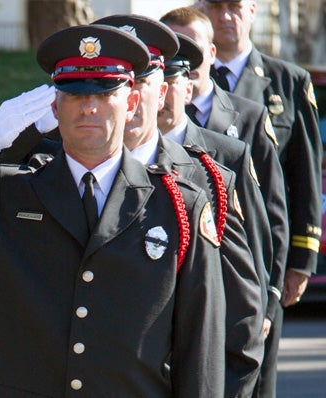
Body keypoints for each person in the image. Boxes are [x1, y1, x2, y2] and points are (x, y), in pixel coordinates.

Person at [0, 24, 227, 396]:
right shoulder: (11, 194)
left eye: (106, 92)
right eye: (75, 94)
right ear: (55, 104)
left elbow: (200, 345)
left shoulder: (178, 205)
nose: (89, 107)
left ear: (130, 102)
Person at [93, 14, 264, 396]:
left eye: (144, 80)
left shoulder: (210, 180)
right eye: (112, 82)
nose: (126, 95)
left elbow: (242, 320)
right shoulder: (57, 170)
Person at [202, 2, 322, 394]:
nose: (226, 17)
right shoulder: (186, 80)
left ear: (252, 10)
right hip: (200, 245)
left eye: (234, 7)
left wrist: (301, 259)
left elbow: (303, 177)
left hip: (263, 252)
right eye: (215, 7)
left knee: (256, 379)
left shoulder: (287, 81)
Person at [161, 7, 289, 351]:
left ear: (211, 53)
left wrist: (267, 297)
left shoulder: (240, 131)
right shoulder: (137, 139)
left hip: (224, 307)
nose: (185, 56)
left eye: (193, 46)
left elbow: (264, 225)